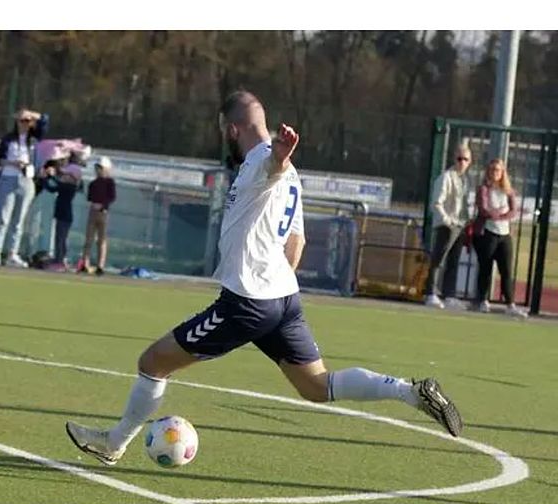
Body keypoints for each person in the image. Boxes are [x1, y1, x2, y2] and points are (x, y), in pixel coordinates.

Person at [65, 90, 462, 466]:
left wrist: (281, 156)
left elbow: (274, 166)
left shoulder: (262, 161)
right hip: (282, 300)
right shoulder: (290, 176)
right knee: (316, 386)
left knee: (153, 362)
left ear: (230, 129)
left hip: (247, 303)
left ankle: (113, 444)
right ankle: (409, 392)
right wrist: (272, 286)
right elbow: (297, 242)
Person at [0, 108, 49, 267]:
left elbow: (45, 120)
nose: (24, 124)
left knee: (19, 220)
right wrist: (12, 163)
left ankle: (12, 254)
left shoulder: (34, 140)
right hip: (8, 178)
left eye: (27, 121)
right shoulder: (8, 139)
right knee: (3, 217)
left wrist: (31, 114)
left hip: (26, 181)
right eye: (22, 121)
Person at [473, 159, 527, 318]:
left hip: (504, 235)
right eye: (492, 170)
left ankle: (510, 304)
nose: (495, 173)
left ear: (503, 172)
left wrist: (500, 215)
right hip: (488, 233)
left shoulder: (508, 191)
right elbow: (483, 209)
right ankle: (482, 300)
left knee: (507, 271)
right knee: (485, 268)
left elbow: (513, 211)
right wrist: (495, 214)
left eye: (498, 170)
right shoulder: (483, 189)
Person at [423, 144, 472, 310]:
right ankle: (431, 293)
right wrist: (446, 219)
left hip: (460, 225)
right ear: (454, 159)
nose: (462, 162)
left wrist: (465, 221)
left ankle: (449, 295)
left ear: (469, 162)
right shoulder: (446, 177)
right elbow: (437, 202)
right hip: (447, 225)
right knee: (438, 259)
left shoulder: (465, 180)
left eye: (465, 159)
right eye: (459, 159)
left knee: (454, 260)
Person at [44, 146, 87, 265]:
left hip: (65, 214)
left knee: (61, 238)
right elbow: (56, 184)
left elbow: (54, 187)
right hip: (62, 213)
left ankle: (60, 259)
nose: (65, 176)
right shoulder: (68, 185)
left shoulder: (70, 187)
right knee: (59, 237)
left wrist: (48, 177)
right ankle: (59, 258)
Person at [77, 156, 116, 275]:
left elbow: (112, 197)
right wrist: (95, 204)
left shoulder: (110, 182)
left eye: (100, 168)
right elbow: (90, 197)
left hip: (103, 212)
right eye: (97, 168)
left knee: (102, 240)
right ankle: (85, 263)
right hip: (93, 211)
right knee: (89, 239)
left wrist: (103, 206)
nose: (98, 170)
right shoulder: (93, 183)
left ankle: (100, 266)